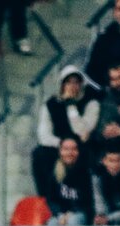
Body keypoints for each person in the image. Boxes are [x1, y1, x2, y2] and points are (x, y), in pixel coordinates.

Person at [32, 65, 99, 194]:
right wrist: (63, 146)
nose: (72, 86)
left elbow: (81, 131)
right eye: (68, 82)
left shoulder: (91, 103)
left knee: (87, 156)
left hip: (81, 147)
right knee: (39, 153)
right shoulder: (50, 104)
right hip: (58, 146)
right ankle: (45, 197)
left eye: (76, 82)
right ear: (62, 85)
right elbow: (43, 135)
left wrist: (71, 106)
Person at [40, 137, 94, 226]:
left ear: (78, 151)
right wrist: (60, 214)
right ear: (60, 151)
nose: (70, 152)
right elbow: (51, 199)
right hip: (62, 216)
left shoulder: (87, 172)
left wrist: (71, 213)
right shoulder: (55, 172)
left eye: (74, 149)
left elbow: (89, 203)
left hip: (82, 216)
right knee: (52, 223)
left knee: (74, 220)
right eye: (66, 149)